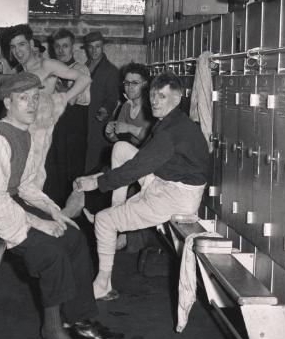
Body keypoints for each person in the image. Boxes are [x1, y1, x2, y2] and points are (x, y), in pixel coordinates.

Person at [0, 72, 123, 339]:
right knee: (50, 252)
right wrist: (37, 223)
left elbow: (23, 185)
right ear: (8, 102)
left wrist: (53, 211)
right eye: (24, 99)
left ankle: (80, 318)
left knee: (72, 235)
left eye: (35, 97)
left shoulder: (21, 132)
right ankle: (52, 328)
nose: (32, 104)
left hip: (4, 202)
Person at [74, 72, 210, 301]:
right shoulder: (171, 121)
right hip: (167, 181)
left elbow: (138, 167)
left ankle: (103, 284)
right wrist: (99, 176)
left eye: (163, 97)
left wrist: (96, 183)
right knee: (120, 149)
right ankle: (116, 210)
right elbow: (140, 160)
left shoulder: (169, 132)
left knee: (104, 221)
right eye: (153, 95)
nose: (155, 101)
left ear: (177, 99)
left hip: (176, 196)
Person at [3, 24, 90, 190]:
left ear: (30, 44)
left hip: (41, 134)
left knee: (36, 179)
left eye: (21, 44)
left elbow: (84, 79)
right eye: (13, 47)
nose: (18, 51)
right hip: (24, 133)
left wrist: (62, 99)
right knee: (21, 177)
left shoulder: (47, 65)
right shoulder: (21, 74)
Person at [104, 62, 154, 251]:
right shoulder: (126, 106)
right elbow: (119, 139)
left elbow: (155, 140)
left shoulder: (151, 106)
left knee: (125, 185)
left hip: (148, 160)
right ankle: (109, 215)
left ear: (145, 85)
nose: (130, 87)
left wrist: (131, 128)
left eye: (135, 83)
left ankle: (120, 231)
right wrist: (110, 132)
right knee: (100, 174)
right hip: (128, 158)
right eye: (126, 83)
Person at [43, 29, 90, 208]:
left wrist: (58, 85)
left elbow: (77, 99)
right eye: (58, 46)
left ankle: (71, 214)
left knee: (72, 171)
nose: (61, 50)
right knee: (52, 170)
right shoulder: (49, 68)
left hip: (74, 127)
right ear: (53, 49)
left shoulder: (80, 69)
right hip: (54, 125)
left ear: (72, 47)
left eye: (65, 46)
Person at [83, 31, 119, 214]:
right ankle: (82, 207)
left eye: (98, 46)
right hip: (82, 124)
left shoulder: (111, 70)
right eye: (91, 47)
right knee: (81, 163)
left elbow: (113, 97)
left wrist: (105, 110)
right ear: (87, 49)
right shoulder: (83, 67)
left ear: (103, 46)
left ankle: (96, 208)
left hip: (98, 125)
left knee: (95, 165)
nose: (94, 50)